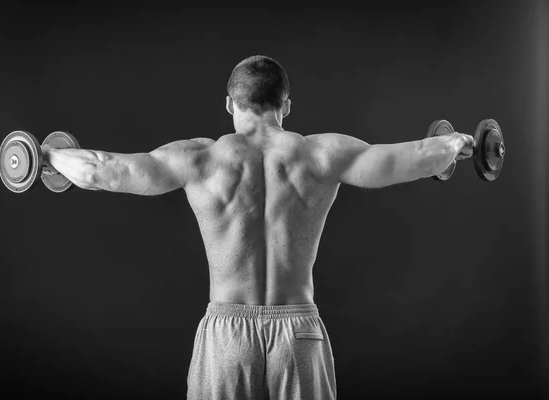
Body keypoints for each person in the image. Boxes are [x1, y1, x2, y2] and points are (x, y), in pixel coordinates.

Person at [41, 55, 474, 400]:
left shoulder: (201, 159)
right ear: (285, 106)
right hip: (299, 333)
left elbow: (105, 171)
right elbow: (416, 157)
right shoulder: (324, 154)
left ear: (230, 104)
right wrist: (458, 143)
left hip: (226, 333)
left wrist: (46, 157)